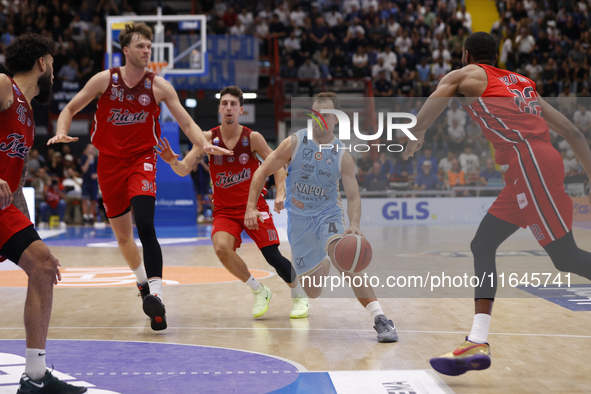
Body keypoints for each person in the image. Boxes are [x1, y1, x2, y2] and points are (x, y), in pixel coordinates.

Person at [403, 32, 591, 376]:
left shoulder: (468, 74)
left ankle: (478, 337)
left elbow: (437, 98)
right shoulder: (523, 84)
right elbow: (573, 133)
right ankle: (477, 338)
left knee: (565, 257)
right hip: (526, 166)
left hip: (530, 160)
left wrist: (417, 135)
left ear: (466, 54)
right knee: (483, 243)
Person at [48, 22, 231, 331]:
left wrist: (203, 144)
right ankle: (143, 285)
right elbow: (69, 108)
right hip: (108, 163)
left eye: (149, 47)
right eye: (141, 46)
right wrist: (61, 132)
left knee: (145, 223)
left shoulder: (158, 86)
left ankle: (157, 296)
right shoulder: (104, 80)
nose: (147, 51)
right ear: (126, 51)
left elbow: (187, 124)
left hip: (142, 160)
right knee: (123, 237)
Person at [245, 92, 398, 343]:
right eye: (315, 114)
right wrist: (251, 206)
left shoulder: (342, 155)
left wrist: (355, 225)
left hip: (328, 216)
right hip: (299, 222)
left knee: (346, 261)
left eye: (325, 115)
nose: (319, 119)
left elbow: (354, 196)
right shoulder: (294, 143)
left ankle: (380, 318)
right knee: (312, 292)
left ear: (336, 119)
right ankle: (324, 257)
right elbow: (261, 172)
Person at [156, 86, 309, 319]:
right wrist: (171, 162)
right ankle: (259, 291)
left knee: (272, 256)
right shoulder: (207, 138)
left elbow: (277, 164)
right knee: (221, 248)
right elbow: (184, 168)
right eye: (225, 103)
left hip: (253, 208)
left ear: (241, 110)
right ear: (219, 108)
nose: (229, 108)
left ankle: (299, 295)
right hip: (225, 211)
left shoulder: (252, 138)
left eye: (233, 104)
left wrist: (280, 193)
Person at [0, 33, 87, 393]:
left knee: (43, 265)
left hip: (5, 206)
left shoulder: (28, 110)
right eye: (51, 62)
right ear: (42, 63)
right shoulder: (3, 85)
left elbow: (13, 182)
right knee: (42, 264)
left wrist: (31, 236)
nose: (53, 69)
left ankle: (35, 378)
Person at [79, 143, 99, 225]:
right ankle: (85, 217)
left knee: (93, 200)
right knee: (85, 198)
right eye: (89, 148)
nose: (91, 149)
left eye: (92, 148)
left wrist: (96, 175)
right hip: (86, 181)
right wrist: (88, 160)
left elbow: (101, 170)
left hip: (93, 182)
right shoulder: (83, 158)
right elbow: (84, 169)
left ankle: (91, 216)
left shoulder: (97, 158)